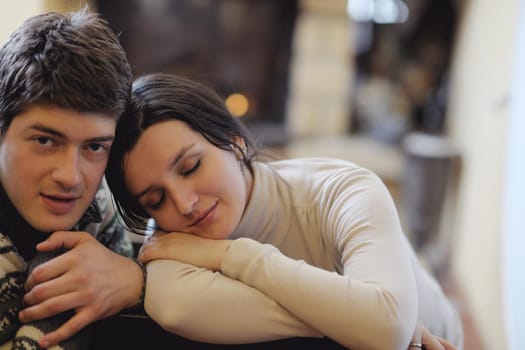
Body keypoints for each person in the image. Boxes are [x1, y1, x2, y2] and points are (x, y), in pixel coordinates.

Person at [104, 72, 464, 350]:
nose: (184, 204)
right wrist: (359, 320)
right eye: (155, 200)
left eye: (191, 167)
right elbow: (173, 304)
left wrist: (227, 254)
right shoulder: (168, 238)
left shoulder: (344, 190)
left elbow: (386, 328)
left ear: (235, 141)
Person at [0, 8, 142, 349]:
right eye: (45, 141)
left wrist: (137, 280)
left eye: (94, 146)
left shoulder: (100, 208)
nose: (70, 177)